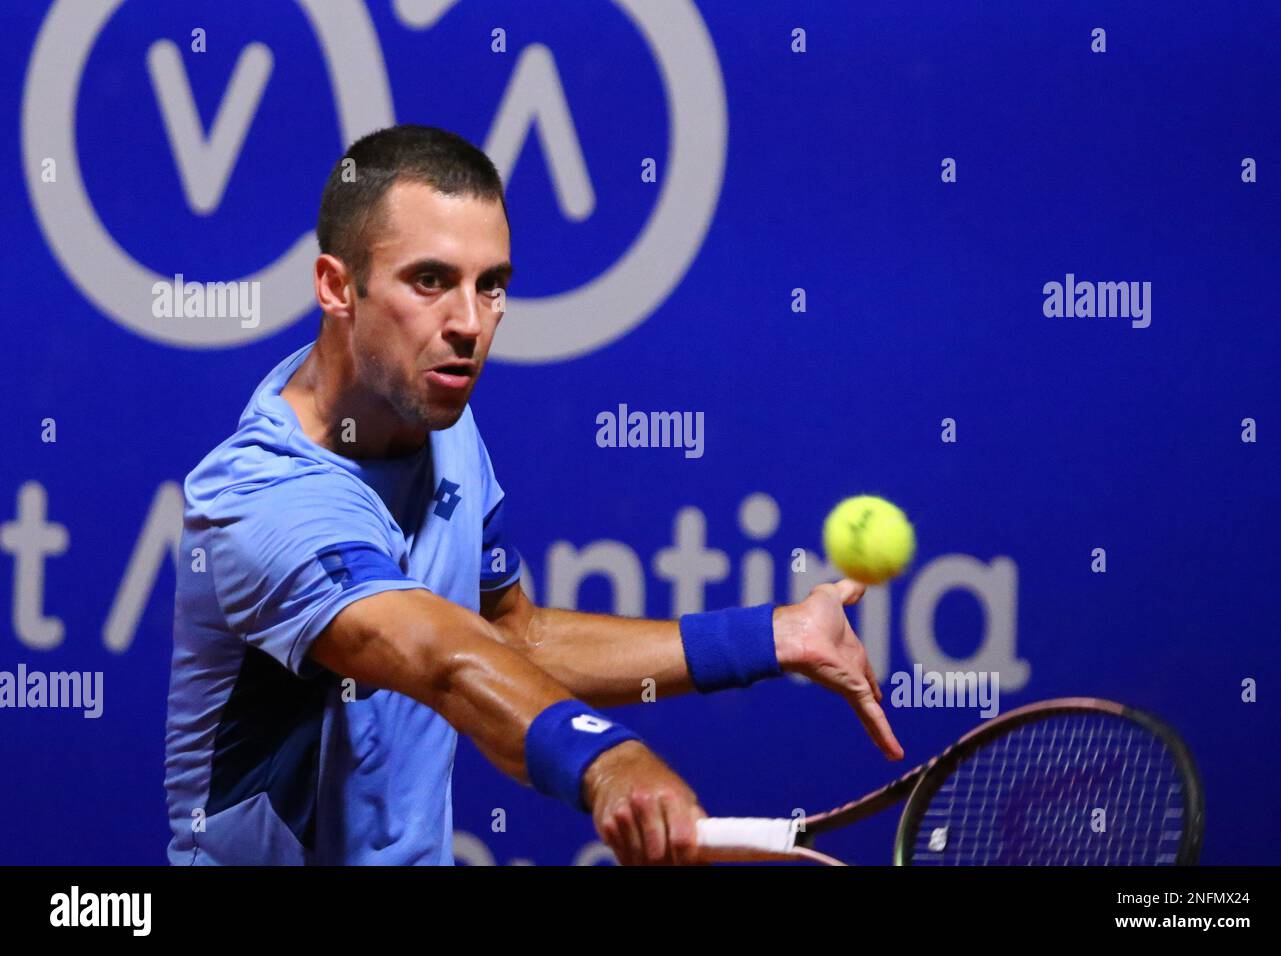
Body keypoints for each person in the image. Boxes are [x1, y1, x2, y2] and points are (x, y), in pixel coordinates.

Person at [163, 125, 901, 866]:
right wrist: (607, 761)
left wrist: (771, 636)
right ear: (334, 286)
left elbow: (509, 637)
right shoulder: (261, 498)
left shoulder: (440, 416)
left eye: (491, 285)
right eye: (430, 281)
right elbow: (441, 656)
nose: (469, 324)